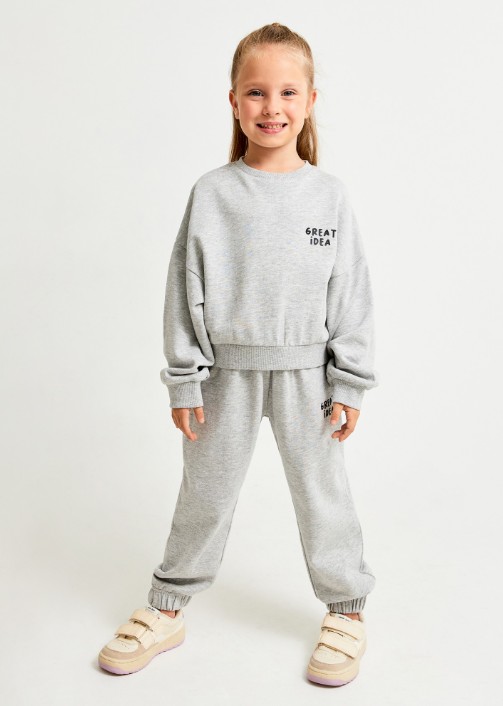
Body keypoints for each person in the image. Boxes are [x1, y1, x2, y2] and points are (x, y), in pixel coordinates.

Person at [98, 22, 379, 687]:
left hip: (308, 378)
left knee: (322, 495)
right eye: (256, 92)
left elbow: (350, 292)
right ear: (233, 101)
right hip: (224, 377)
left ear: (310, 101)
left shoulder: (329, 195)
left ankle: (346, 610)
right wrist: (183, 380)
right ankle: (168, 606)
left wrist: (350, 382)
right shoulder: (212, 193)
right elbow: (183, 289)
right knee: (205, 492)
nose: (271, 107)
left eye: (287, 92)